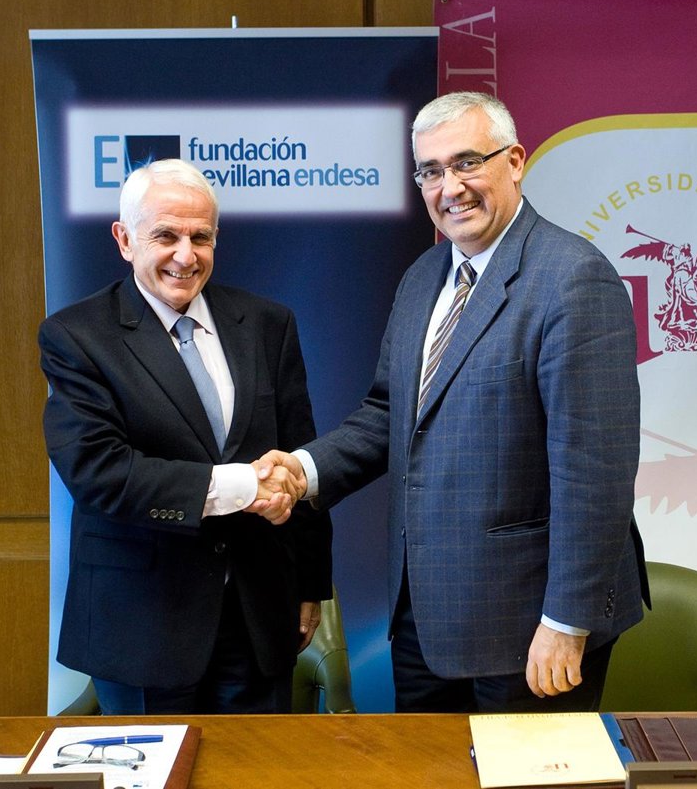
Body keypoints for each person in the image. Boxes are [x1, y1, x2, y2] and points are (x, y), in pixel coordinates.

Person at [256, 92, 649, 713]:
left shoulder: (573, 278)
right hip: (423, 617)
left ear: (514, 162)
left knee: (528, 772)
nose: (451, 188)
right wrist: (302, 471)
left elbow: (594, 469)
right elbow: (390, 414)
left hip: (529, 622)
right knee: (427, 765)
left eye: (467, 162)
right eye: (431, 171)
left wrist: (567, 621)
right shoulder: (423, 277)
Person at [39, 158, 331, 714]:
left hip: (258, 617)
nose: (185, 255)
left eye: (201, 237)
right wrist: (243, 486)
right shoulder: (77, 337)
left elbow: (300, 459)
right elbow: (99, 473)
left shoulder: (267, 324)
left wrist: (311, 584)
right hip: (141, 623)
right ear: (124, 240)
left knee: (259, 764)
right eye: (166, 236)